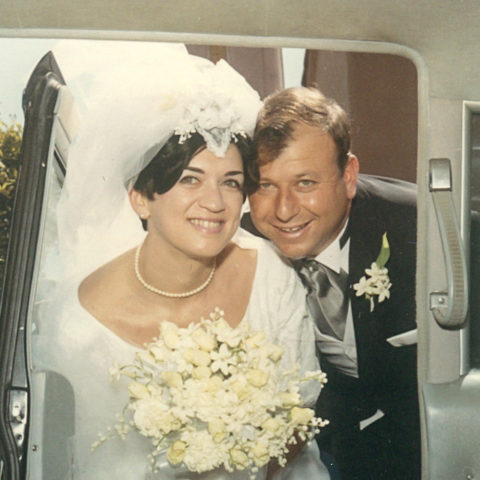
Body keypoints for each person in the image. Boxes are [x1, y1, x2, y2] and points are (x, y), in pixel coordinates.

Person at [34, 45, 330, 479]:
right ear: (140, 198)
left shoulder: (270, 275)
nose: (214, 202)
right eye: (190, 179)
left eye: (230, 183)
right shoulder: (78, 321)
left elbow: (300, 409)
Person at [245, 86, 420, 480]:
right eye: (265, 185)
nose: (284, 210)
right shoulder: (237, 245)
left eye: (305, 183)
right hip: (327, 445)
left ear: (349, 176)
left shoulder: (421, 227)